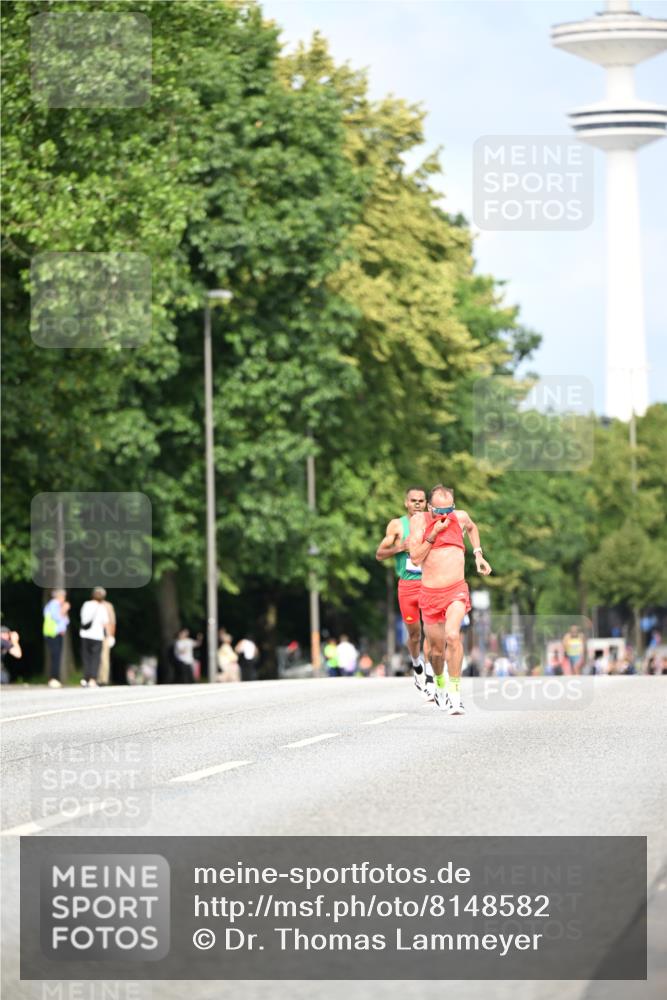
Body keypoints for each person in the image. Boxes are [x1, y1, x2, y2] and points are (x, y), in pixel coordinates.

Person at [409, 484, 492, 715]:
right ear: (429, 506)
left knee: (453, 636)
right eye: (439, 512)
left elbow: (473, 527)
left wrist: (478, 555)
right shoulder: (419, 522)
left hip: (456, 590)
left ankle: (456, 696)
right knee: (436, 652)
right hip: (430, 594)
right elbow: (415, 558)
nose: (444, 517)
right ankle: (440, 684)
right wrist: (433, 534)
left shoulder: (460, 517)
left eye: (448, 511)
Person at [376, 486, 435, 698]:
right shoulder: (397, 525)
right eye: (413, 500)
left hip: (429, 583)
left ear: (427, 503)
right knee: (414, 633)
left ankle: (429, 674)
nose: (417, 504)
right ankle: (417, 665)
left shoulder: (433, 522)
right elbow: (380, 554)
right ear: (406, 503)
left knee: (431, 629)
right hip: (407, 586)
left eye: (421, 500)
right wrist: (401, 548)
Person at [79, 586, 110, 688]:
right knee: (95, 658)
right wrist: (108, 636)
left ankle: (85, 678)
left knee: (86, 657)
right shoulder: (102, 608)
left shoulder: (86, 604)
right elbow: (105, 623)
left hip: (85, 634)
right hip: (97, 635)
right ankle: (92, 679)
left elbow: (83, 619)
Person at [42, 588, 70, 688]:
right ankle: (54, 678)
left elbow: (66, 621)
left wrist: (63, 610)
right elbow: (57, 617)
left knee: (57, 656)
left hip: (57, 634)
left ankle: (55, 678)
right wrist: (64, 609)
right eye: (63, 597)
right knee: (55, 656)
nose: (64, 599)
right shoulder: (54, 604)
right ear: (59, 596)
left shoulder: (58, 605)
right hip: (52, 633)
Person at [97, 597, 116, 686]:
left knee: (104, 657)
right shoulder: (92, 605)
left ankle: (103, 679)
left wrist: (111, 635)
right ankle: (97, 678)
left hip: (105, 635)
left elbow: (112, 622)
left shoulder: (108, 606)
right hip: (94, 634)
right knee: (96, 657)